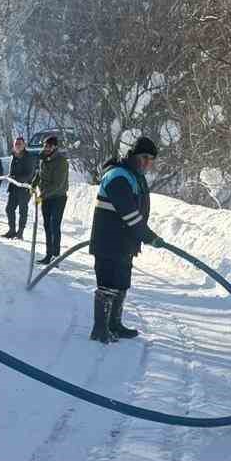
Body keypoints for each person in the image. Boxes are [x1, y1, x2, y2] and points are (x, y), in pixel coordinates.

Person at [89, 135, 163, 343]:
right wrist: (149, 237)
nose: (148, 163)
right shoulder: (118, 176)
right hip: (109, 241)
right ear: (135, 155)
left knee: (121, 283)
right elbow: (129, 214)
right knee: (108, 284)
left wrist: (141, 237)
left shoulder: (134, 176)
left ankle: (115, 324)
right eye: (145, 157)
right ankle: (100, 329)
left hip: (124, 243)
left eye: (151, 159)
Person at [32, 134, 69, 264]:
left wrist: (41, 195)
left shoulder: (61, 161)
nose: (46, 148)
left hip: (58, 197)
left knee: (54, 225)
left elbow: (58, 184)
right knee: (47, 225)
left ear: (55, 147)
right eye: (45, 146)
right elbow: (39, 174)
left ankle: (55, 256)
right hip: (46, 197)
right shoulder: (43, 158)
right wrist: (33, 185)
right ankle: (48, 254)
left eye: (49, 146)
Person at [3, 136, 35, 238]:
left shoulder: (28, 157)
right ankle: (11, 230)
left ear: (24, 145)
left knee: (22, 210)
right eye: (16, 144)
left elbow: (29, 174)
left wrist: (16, 178)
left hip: (24, 187)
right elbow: (12, 171)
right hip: (14, 188)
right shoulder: (13, 156)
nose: (17, 146)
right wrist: (10, 177)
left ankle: (20, 232)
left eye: (19, 144)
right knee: (9, 209)